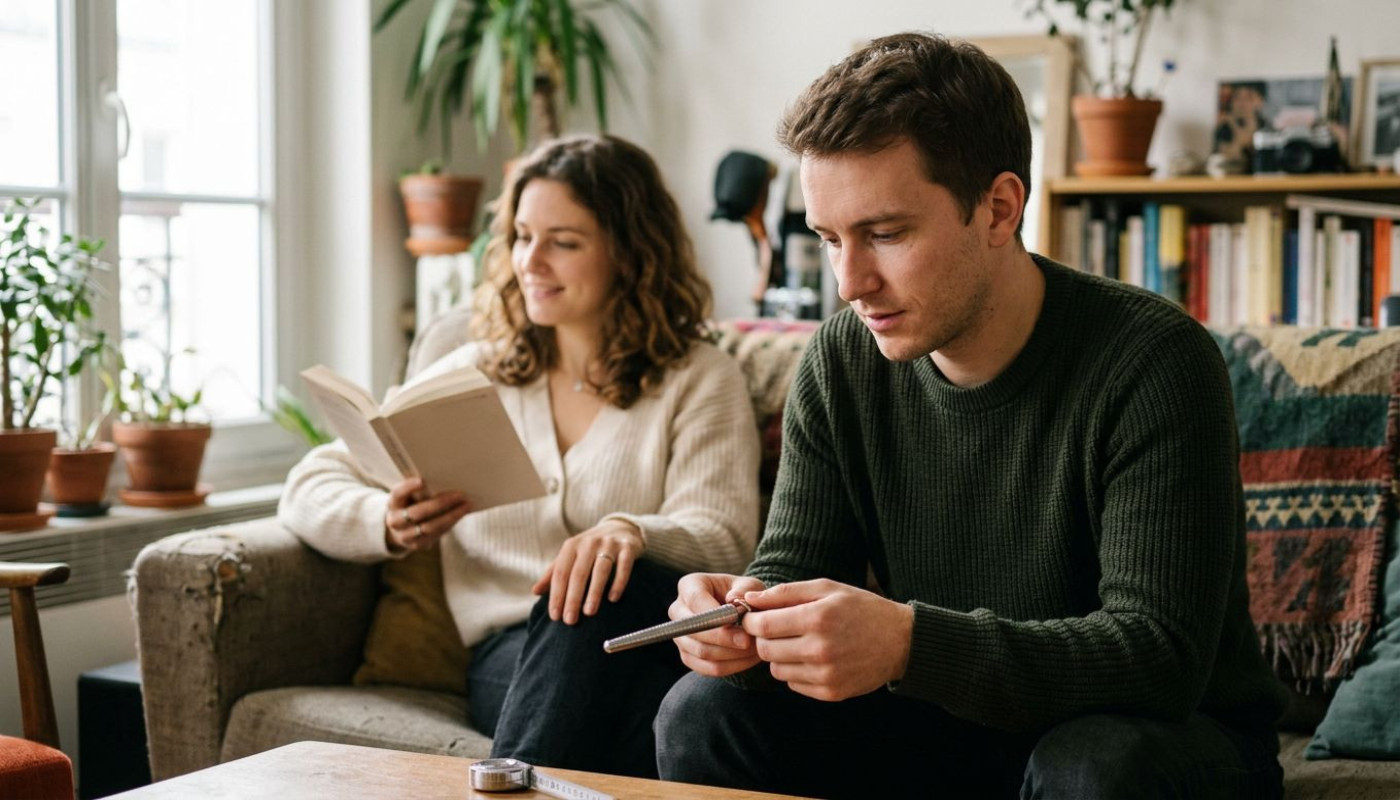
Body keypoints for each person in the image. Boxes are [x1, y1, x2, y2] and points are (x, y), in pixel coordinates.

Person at [654, 33, 1288, 799]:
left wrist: (908, 645)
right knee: (703, 713)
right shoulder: (840, 360)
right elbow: (794, 571)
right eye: (829, 239)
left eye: (885, 234)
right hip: (945, 721)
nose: (850, 281)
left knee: (1093, 769)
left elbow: (1157, 657)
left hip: (1162, 737)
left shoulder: (1153, 360)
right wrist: (742, 623)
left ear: (998, 209)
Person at [279, 134, 760, 779]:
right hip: (513, 654)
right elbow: (309, 483)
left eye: (563, 241)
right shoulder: (479, 374)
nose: (531, 260)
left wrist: (627, 532)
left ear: (629, 252)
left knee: (608, 592)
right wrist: (383, 522)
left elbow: (726, 535)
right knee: (658, 710)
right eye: (522, 237)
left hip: (648, 637)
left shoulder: (699, 377)